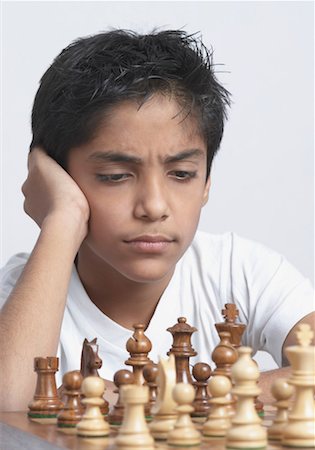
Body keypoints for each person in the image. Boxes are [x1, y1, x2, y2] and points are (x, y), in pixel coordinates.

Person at [0, 29, 313, 411]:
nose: (153, 205)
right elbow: (7, 407)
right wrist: (62, 219)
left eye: (181, 173)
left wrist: (145, 399)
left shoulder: (238, 270)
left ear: (207, 182)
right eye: (115, 176)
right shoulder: (22, 295)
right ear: (58, 180)